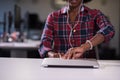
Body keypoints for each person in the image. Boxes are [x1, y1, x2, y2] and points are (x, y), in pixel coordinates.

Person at [38, 0, 115, 59]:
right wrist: (51, 54)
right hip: (61, 64)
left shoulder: (94, 14)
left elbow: (109, 29)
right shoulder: (53, 17)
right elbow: (44, 42)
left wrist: (85, 47)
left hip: (87, 66)